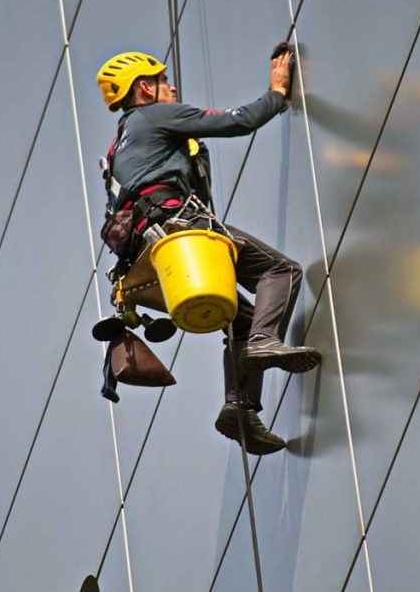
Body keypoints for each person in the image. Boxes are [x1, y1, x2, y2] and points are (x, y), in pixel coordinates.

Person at [95, 48, 321, 455]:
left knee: (242, 317)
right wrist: (277, 92)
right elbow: (239, 121)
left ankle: (239, 409)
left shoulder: (118, 148)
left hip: (150, 260)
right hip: (180, 231)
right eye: (163, 81)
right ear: (144, 88)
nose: (172, 88)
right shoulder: (154, 116)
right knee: (280, 272)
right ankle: (264, 341)